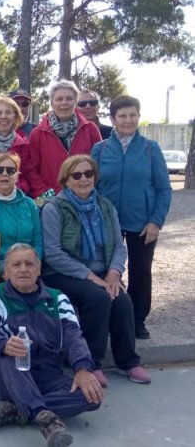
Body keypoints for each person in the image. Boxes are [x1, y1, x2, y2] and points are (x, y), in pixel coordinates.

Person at [0, 243, 102, 447]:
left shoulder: (58, 298)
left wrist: (83, 368)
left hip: (47, 375)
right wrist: (3, 344)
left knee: (91, 397)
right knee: (11, 358)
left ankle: (16, 411)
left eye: (29, 264)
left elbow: (73, 336)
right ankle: (46, 421)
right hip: (4, 376)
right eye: (16, 264)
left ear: (38, 269)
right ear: (6, 272)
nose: (23, 269)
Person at [41, 155, 151, 386]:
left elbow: (119, 247)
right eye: (77, 175)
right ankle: (90, 363)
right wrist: (91, 277)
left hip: (102, 272)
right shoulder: (54, 208)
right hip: (64, 273)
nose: (83, 180)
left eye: (88, 174)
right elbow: (53, 254)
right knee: (98, 297)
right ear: (66, 179)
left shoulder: (105, 206)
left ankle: (128, 361)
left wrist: (114, 273)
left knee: (121, 300)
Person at [91, 95, 171, 340]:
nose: (128, 120)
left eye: (132, 115)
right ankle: (111, 317)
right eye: (122, 116)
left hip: (142, 222)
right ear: (113, 119)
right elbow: (90, 185)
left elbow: (163, 189)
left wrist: (156, 221)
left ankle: (137, 320)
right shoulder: (101, 149)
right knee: (107, 269)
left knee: (140, 271)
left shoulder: (150, 149)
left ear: (138, 117)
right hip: (107, 222)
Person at [28, 80, 102, 198]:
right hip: (50, 200)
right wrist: (49, 197)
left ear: (75, 102)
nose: (64, 103)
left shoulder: (90, 129)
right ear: (52, 103)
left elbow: (99, 166)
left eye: (69, 98)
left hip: (84, 197)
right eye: (59, 99)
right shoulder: (37, 134)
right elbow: (31, 171)